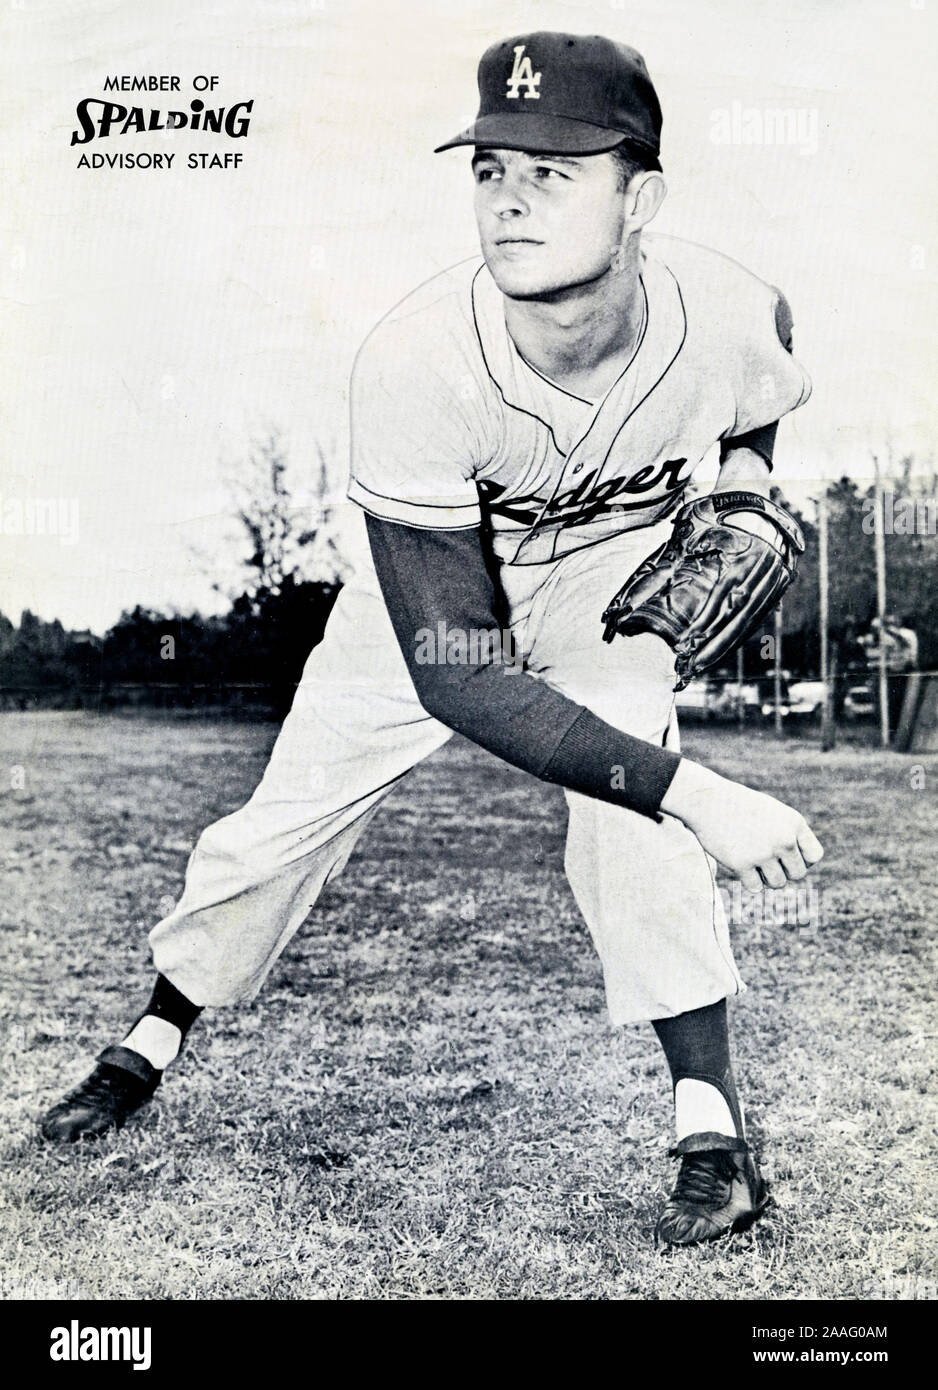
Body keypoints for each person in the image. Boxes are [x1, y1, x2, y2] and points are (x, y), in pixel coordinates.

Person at [40, 31, 823, 1247]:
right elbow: (461, 675)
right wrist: (701, 790)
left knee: (636, 835)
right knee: (282, 821)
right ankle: (148, 1040)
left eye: (555, 171)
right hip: (435, 608)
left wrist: (738, 480)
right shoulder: (416, 363)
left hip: (612, 594)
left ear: (642, 198)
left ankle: (710, 1131)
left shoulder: (721, 309)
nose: (509, 196)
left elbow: (765, 375)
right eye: (489, 166)